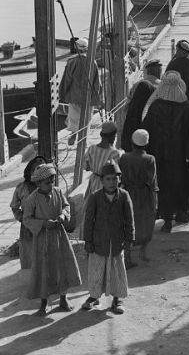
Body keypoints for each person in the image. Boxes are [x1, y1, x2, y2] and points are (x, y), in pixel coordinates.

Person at [23, 163, 82, 316]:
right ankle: (43, 303)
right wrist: (43, 224)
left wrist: (63, 215)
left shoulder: (58, 191)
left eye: (52, 181)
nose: (51, 185)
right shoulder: (32, 199)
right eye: (47, 183)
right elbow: (27, 219)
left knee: (61, 266)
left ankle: (63, 299)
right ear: (38, 183)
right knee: (43, 269)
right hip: (42, 240)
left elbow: (66, 205)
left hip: (59, 237)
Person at [142, 71, 189, 231]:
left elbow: (146, 131)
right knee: (180, 184)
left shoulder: (155, 107)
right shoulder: (188, 108)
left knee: (163, 186)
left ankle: (166, 218)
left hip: (159, 156)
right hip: (180, 158)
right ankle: (181, 212)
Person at [82, 160, 135, 315]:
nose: (112, 182)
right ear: (102, 181)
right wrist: (88, 241)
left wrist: (129, 239)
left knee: (117, 271)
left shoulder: (124, 196)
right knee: (96, 271)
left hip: (117, 242)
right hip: (98, 242)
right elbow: (88, 221)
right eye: (108, 179)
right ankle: (94, 297)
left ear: (119, 179)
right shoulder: (95, 197)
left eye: (115, 179)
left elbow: (129, 219)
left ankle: (117, 299)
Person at [119, 129, 158, 267]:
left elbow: (121, 177)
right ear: (146, 144)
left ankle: (127, 256)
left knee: (128, 222)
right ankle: (143, 252)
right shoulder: (150, 159)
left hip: (128, 193)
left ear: (132, 142)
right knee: (145, 222)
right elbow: (152, 181)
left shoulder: (124, 158)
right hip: (144, 195)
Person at [59, 37, 102, 146]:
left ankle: (74, 134)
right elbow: (97, 83)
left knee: (73, 119)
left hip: (74, 96)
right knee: (86, 119)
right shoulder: (93, 62)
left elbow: (66, 80)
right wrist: (97, 98)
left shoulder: (71, 62)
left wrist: (62, 94)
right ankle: (83, 141)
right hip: (88, 98)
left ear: (76, 47)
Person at [81, 121, 122, 228]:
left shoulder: (92, 148)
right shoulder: (114, 153)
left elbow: (86, 167)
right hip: (107, 183)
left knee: (90, 209)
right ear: (113, 136)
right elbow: (116, 172)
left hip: (94, 181)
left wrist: (96, 167)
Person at [9, 155, 47, 269]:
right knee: (29, 256)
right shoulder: (21, 188)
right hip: (27, 227)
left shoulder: (48, 187)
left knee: (45, 256)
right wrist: (22, 218)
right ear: (29, 171)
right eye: (35, 169)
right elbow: (14, 206)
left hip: (45, 225)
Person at [121, 60, 162, 152]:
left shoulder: (138, 85)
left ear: (147, 72)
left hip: (135, 126)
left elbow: (127, 107)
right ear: (159, 72)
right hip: (155, 129)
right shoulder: (163, 86)